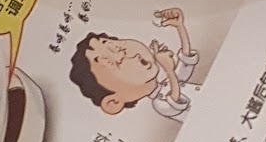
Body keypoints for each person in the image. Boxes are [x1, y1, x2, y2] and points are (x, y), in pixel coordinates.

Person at [69, 7, 199, 120]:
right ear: (114, 102)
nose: (123, 53)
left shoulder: (166, 83)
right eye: (111, 63)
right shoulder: (159, 104)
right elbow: (176, 103)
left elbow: (185, 65)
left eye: (112, 44)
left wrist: (179, 26)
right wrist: (169, 70)